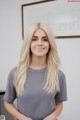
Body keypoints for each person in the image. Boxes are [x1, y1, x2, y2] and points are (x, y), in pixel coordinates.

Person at [3, 22, 67, 120]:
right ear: (28, 43)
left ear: (50, 44)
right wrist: (21, 118)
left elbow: (59, 103)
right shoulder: (15, 73)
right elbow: (7, 102)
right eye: (34, 39)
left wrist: (54, 115)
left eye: (45, 39)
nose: (40, 43)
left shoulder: (59, 75)